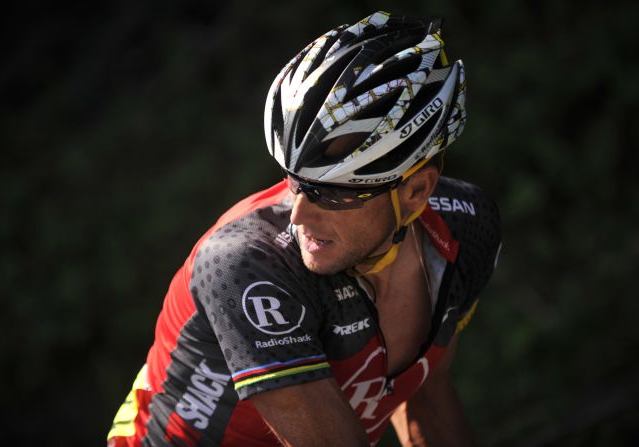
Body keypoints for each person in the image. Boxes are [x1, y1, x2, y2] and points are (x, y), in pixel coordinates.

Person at [107, 10, 501, 447]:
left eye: (333, 192)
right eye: (296, 182)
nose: (299, 215)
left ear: (415, 192)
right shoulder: (245, 265)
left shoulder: (466, 227)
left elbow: (425, 396)